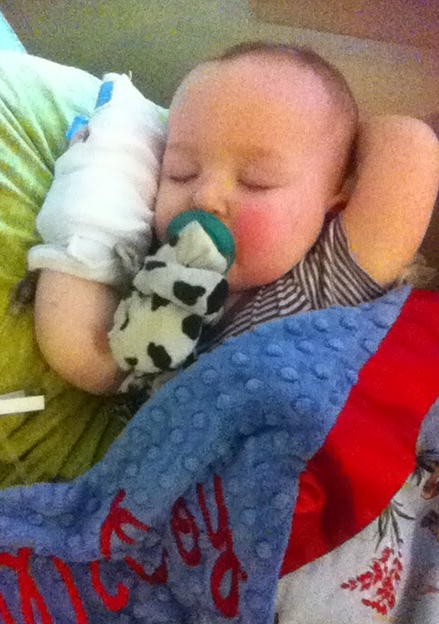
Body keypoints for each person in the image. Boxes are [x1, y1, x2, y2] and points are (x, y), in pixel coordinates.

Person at [30, 40, 439, 396]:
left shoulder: (325, 280)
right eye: (181, 172)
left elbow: (411, 148)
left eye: (256, 182)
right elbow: (87, 357)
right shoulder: (153, 273)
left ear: (332, 207)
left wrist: (337, 143)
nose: (205, 196)